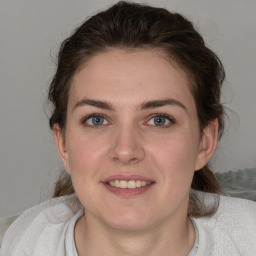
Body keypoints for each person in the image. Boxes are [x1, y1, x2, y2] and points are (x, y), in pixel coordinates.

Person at [1, 1, 256, 255]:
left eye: (159, 119)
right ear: (63, 143)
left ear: (204, 141)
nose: (125, 150)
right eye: (97, 119)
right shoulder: (18, 242)